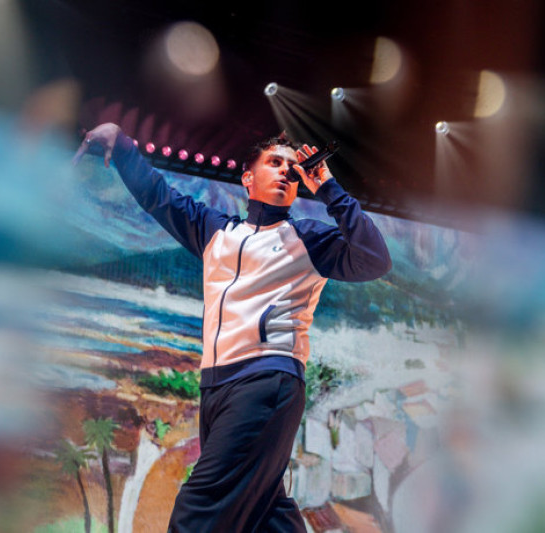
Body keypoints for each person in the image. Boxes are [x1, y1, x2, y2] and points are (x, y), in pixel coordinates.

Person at [74, 123, 392, 532]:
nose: (285, 171)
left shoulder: (308, 239)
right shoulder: (216, 232)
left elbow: (374, 259)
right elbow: (158, 196)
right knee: (264, 510)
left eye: (292, 168)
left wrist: (328, 188)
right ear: (247, 178)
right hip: (216, 388)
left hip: (267, 379)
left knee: (200, 504)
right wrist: (121, 144)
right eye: (274, 162)